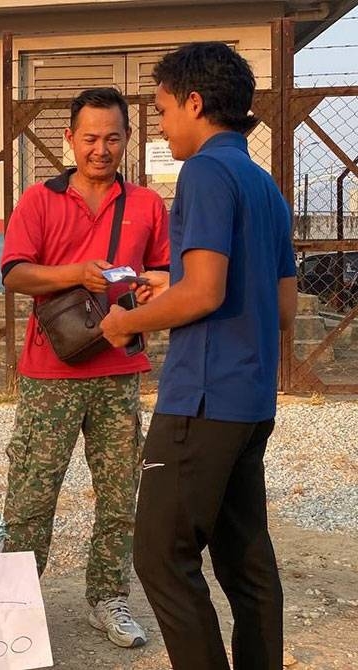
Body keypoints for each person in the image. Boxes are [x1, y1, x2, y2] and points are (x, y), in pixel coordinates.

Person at [100, 42, 296, 670]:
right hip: (250, 399)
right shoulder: (262, 183)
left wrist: (127, 319)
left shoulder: (206, 172)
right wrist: (172, 287)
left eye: (161, 109)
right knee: (245, 560)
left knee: (160, 555)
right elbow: (282, 307)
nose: (159, 125)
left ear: (194, 101)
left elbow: (206, 292)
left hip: (202, 398)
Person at [0, 87, 169, 649]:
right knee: (31, 496)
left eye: (113, 137)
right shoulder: (38, 201)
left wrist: (145, 296)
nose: (101, 149)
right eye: (90, 137)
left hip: (120, 370)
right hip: (50, 372)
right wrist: (78, 273)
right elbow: (16, 274)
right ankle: (12, 607)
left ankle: (108, 598)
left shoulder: (147, 205)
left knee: (121, 494)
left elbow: (164, 277)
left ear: (127, 139)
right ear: (69, 139)